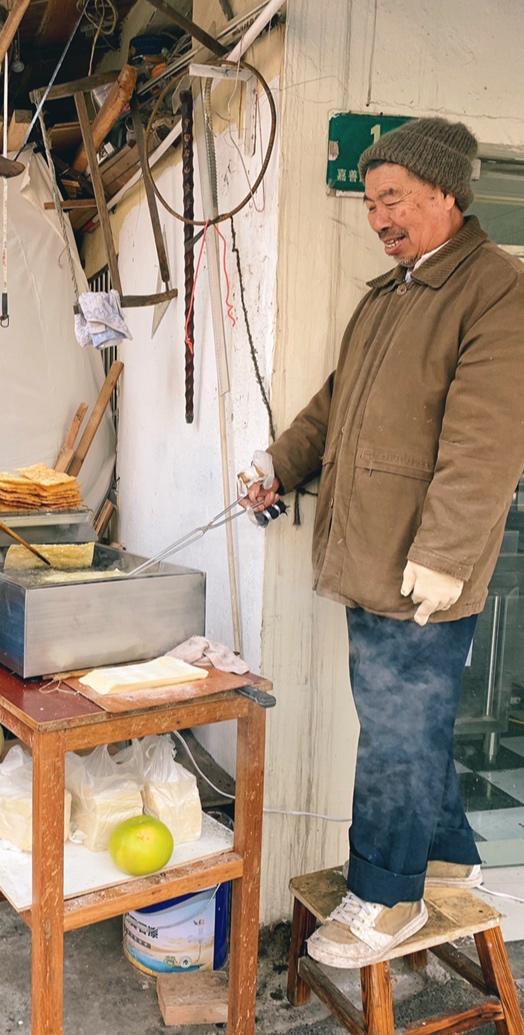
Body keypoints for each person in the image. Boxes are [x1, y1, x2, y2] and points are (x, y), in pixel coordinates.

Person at [246, 117, 524, 967]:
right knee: (406, 718)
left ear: (447, 192)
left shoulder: (497, 290)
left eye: (393, 199)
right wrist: (278, 463)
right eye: (371, 204)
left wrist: (443, 556)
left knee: (397, 728)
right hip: (369, 554)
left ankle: (387, 896)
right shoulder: (389, 294)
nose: (380, 218)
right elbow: (334, 407)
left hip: (422, 566)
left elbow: (487, 440)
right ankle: (447, 860)